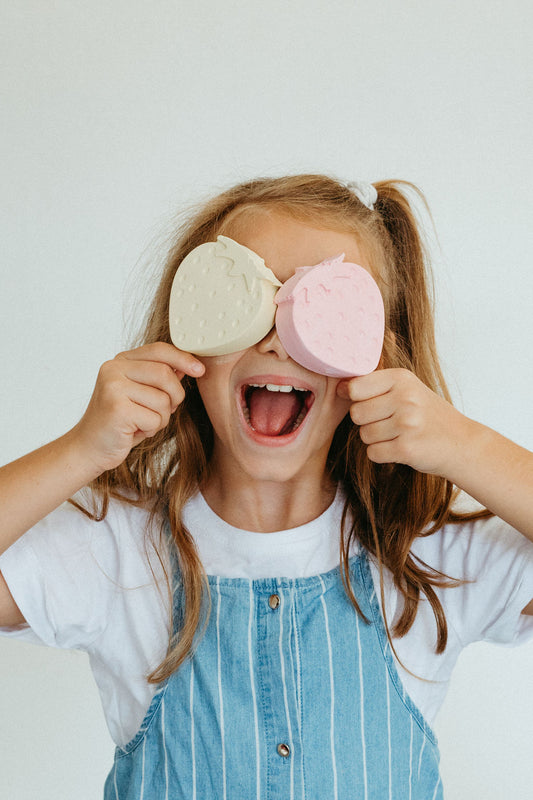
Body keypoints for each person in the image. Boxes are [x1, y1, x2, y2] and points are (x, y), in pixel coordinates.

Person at [1, 174, 532, 799]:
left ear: (381, 359)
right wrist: (81, 448)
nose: (279, 338)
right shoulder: (118, 548)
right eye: (242, 297)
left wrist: (465, 446)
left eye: (325, 308)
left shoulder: (422, 556)